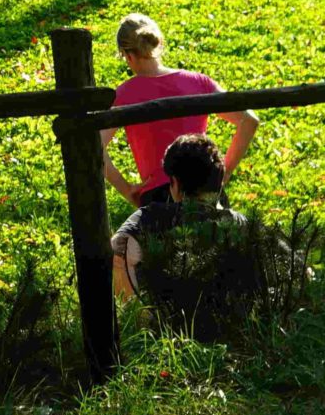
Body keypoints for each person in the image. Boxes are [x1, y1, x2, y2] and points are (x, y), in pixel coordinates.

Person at [110, 135, 268, 339]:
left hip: (167, 333)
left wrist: (143, 321)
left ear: (174, 182)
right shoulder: (240, 223)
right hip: (236, 334)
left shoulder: (154, 217)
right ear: (219, 182)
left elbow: (118, 251)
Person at [104, 14, 258, 209]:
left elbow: (94, 145)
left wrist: (127, 190)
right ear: (156, 44)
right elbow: (249, 120)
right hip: (207, 188)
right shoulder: (199, 82)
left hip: (159, 197)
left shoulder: (124, 94)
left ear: (128, 55)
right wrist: (224, 173)